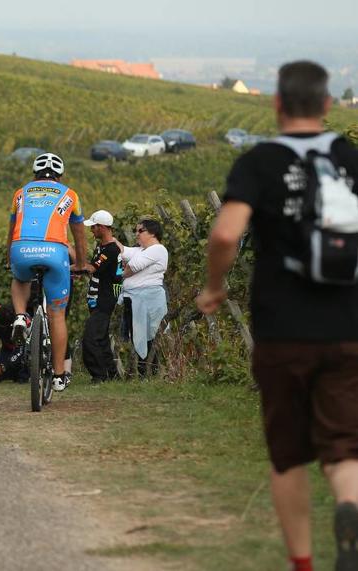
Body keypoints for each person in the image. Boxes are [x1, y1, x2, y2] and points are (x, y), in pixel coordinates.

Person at [198, 61, 358, 571]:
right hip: (348, 325)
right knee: (344, 447)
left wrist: (214, 288)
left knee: (288, 453)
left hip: (281, 328)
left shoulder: (259, 162)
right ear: (328, 105)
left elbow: (225, 233)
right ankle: (350, 508)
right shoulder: (350, 157)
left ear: (277, 104)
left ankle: (304, 562)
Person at [6, 152, 87, 392]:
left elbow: (11, 229)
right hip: (55, 251)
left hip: (21, 247)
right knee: (57, 315)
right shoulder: (70, 195)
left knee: (20, 278)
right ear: (60, 176)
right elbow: (79, 237)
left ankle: (20, 315)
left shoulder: (20, 193)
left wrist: (11, 257)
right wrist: (82, 263)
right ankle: (60, 375)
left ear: (35, 174)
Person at [113, 219, 168, 377]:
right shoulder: (142, 250)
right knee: (137, 336)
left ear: (152, 233)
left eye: (140, 231)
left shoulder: (157, 249)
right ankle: (145, 373)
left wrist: (119, 275)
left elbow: (132, 266)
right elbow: (123, 250)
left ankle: (150, 372)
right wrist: (110, 238)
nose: (136, 234)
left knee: (148, 336)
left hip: (147, 299)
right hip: (135, 299)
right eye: (136, 231)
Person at [80, 210, 123, 383]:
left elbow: (92, 268)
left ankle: (99, 375)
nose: (91, 231)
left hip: (104, 300)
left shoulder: (111, 249)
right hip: (96, 299)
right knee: (102, 339)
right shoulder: (102, 247)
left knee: (90, 338)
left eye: (94, 227)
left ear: (103, 227)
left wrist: (70, 267)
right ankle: (113, 374)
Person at [0, 304, 28, 383]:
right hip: (7, 347)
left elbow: (21, 350)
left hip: (25, 349)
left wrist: (2, 368)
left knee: (21, 376)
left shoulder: (22, 322)